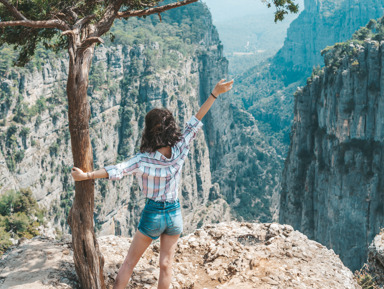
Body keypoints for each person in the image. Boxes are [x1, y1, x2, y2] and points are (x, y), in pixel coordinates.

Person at [71, 79, 234, 289]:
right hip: (175, 214)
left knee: (129, 263)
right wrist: (214, 93)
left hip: (153, 215)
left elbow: (115, 170)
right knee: (166, 265)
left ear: (149, 131)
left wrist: (86, 175)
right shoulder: (180, 148)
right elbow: (196, 119)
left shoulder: (142, 160)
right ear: (171, 128)